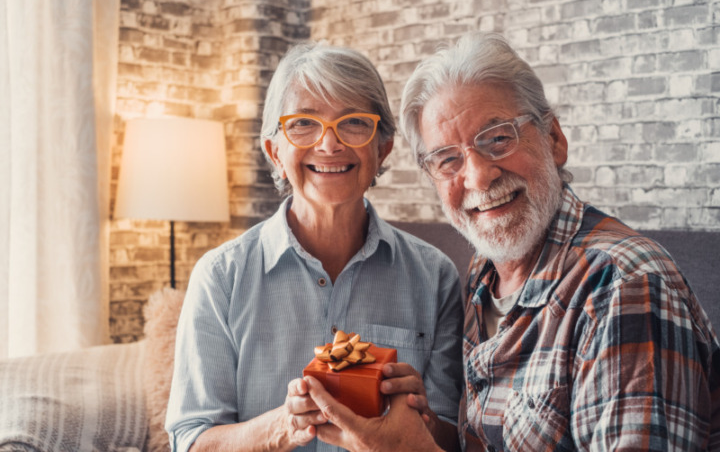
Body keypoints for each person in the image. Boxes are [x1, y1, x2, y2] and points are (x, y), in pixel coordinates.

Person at [304, 32, 720, 451]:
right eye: (448, 159)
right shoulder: (483, 276)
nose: (479, 176)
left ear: (554, 138)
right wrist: (423, 426)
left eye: (498, 138)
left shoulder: (623, 287)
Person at [164, 42, 464, 452]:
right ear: (274, 152)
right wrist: (282, 427)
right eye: (303, 123)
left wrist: (421, 420)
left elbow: (456, 437)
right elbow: (192, 441)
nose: (329, 144)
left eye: (354, 123)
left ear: (383, 148)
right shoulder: (220, 277)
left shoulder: (436, 277)